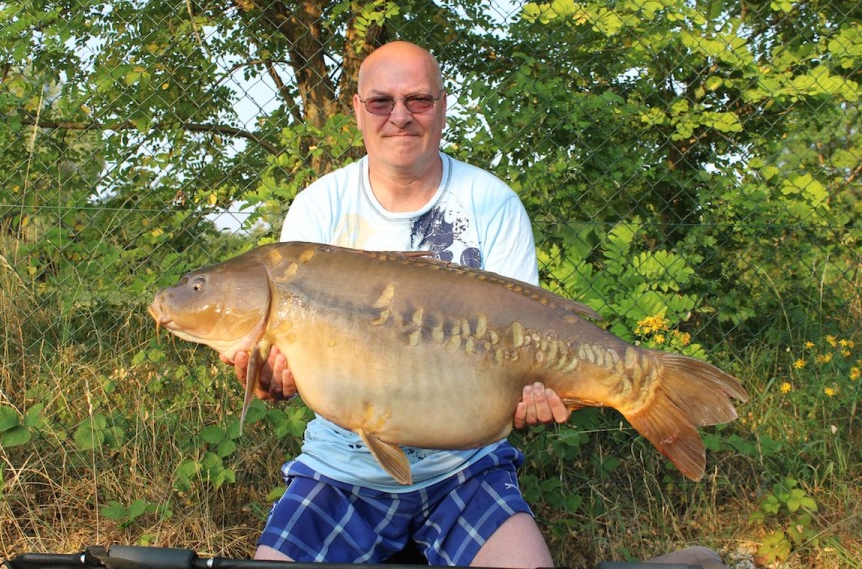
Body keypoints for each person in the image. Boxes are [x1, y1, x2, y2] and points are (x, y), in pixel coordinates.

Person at [224, 41, 727, 569]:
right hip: (340, 466)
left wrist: (541, 394)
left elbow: (526, 342)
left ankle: (644, 391)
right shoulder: (317, 208)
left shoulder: (491, 201)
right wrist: (266, 380)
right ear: (357, 110)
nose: (399, 116)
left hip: (467, 464)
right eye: (380, 102)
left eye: (418, 100)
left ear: (442, 106)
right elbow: (277, 384)